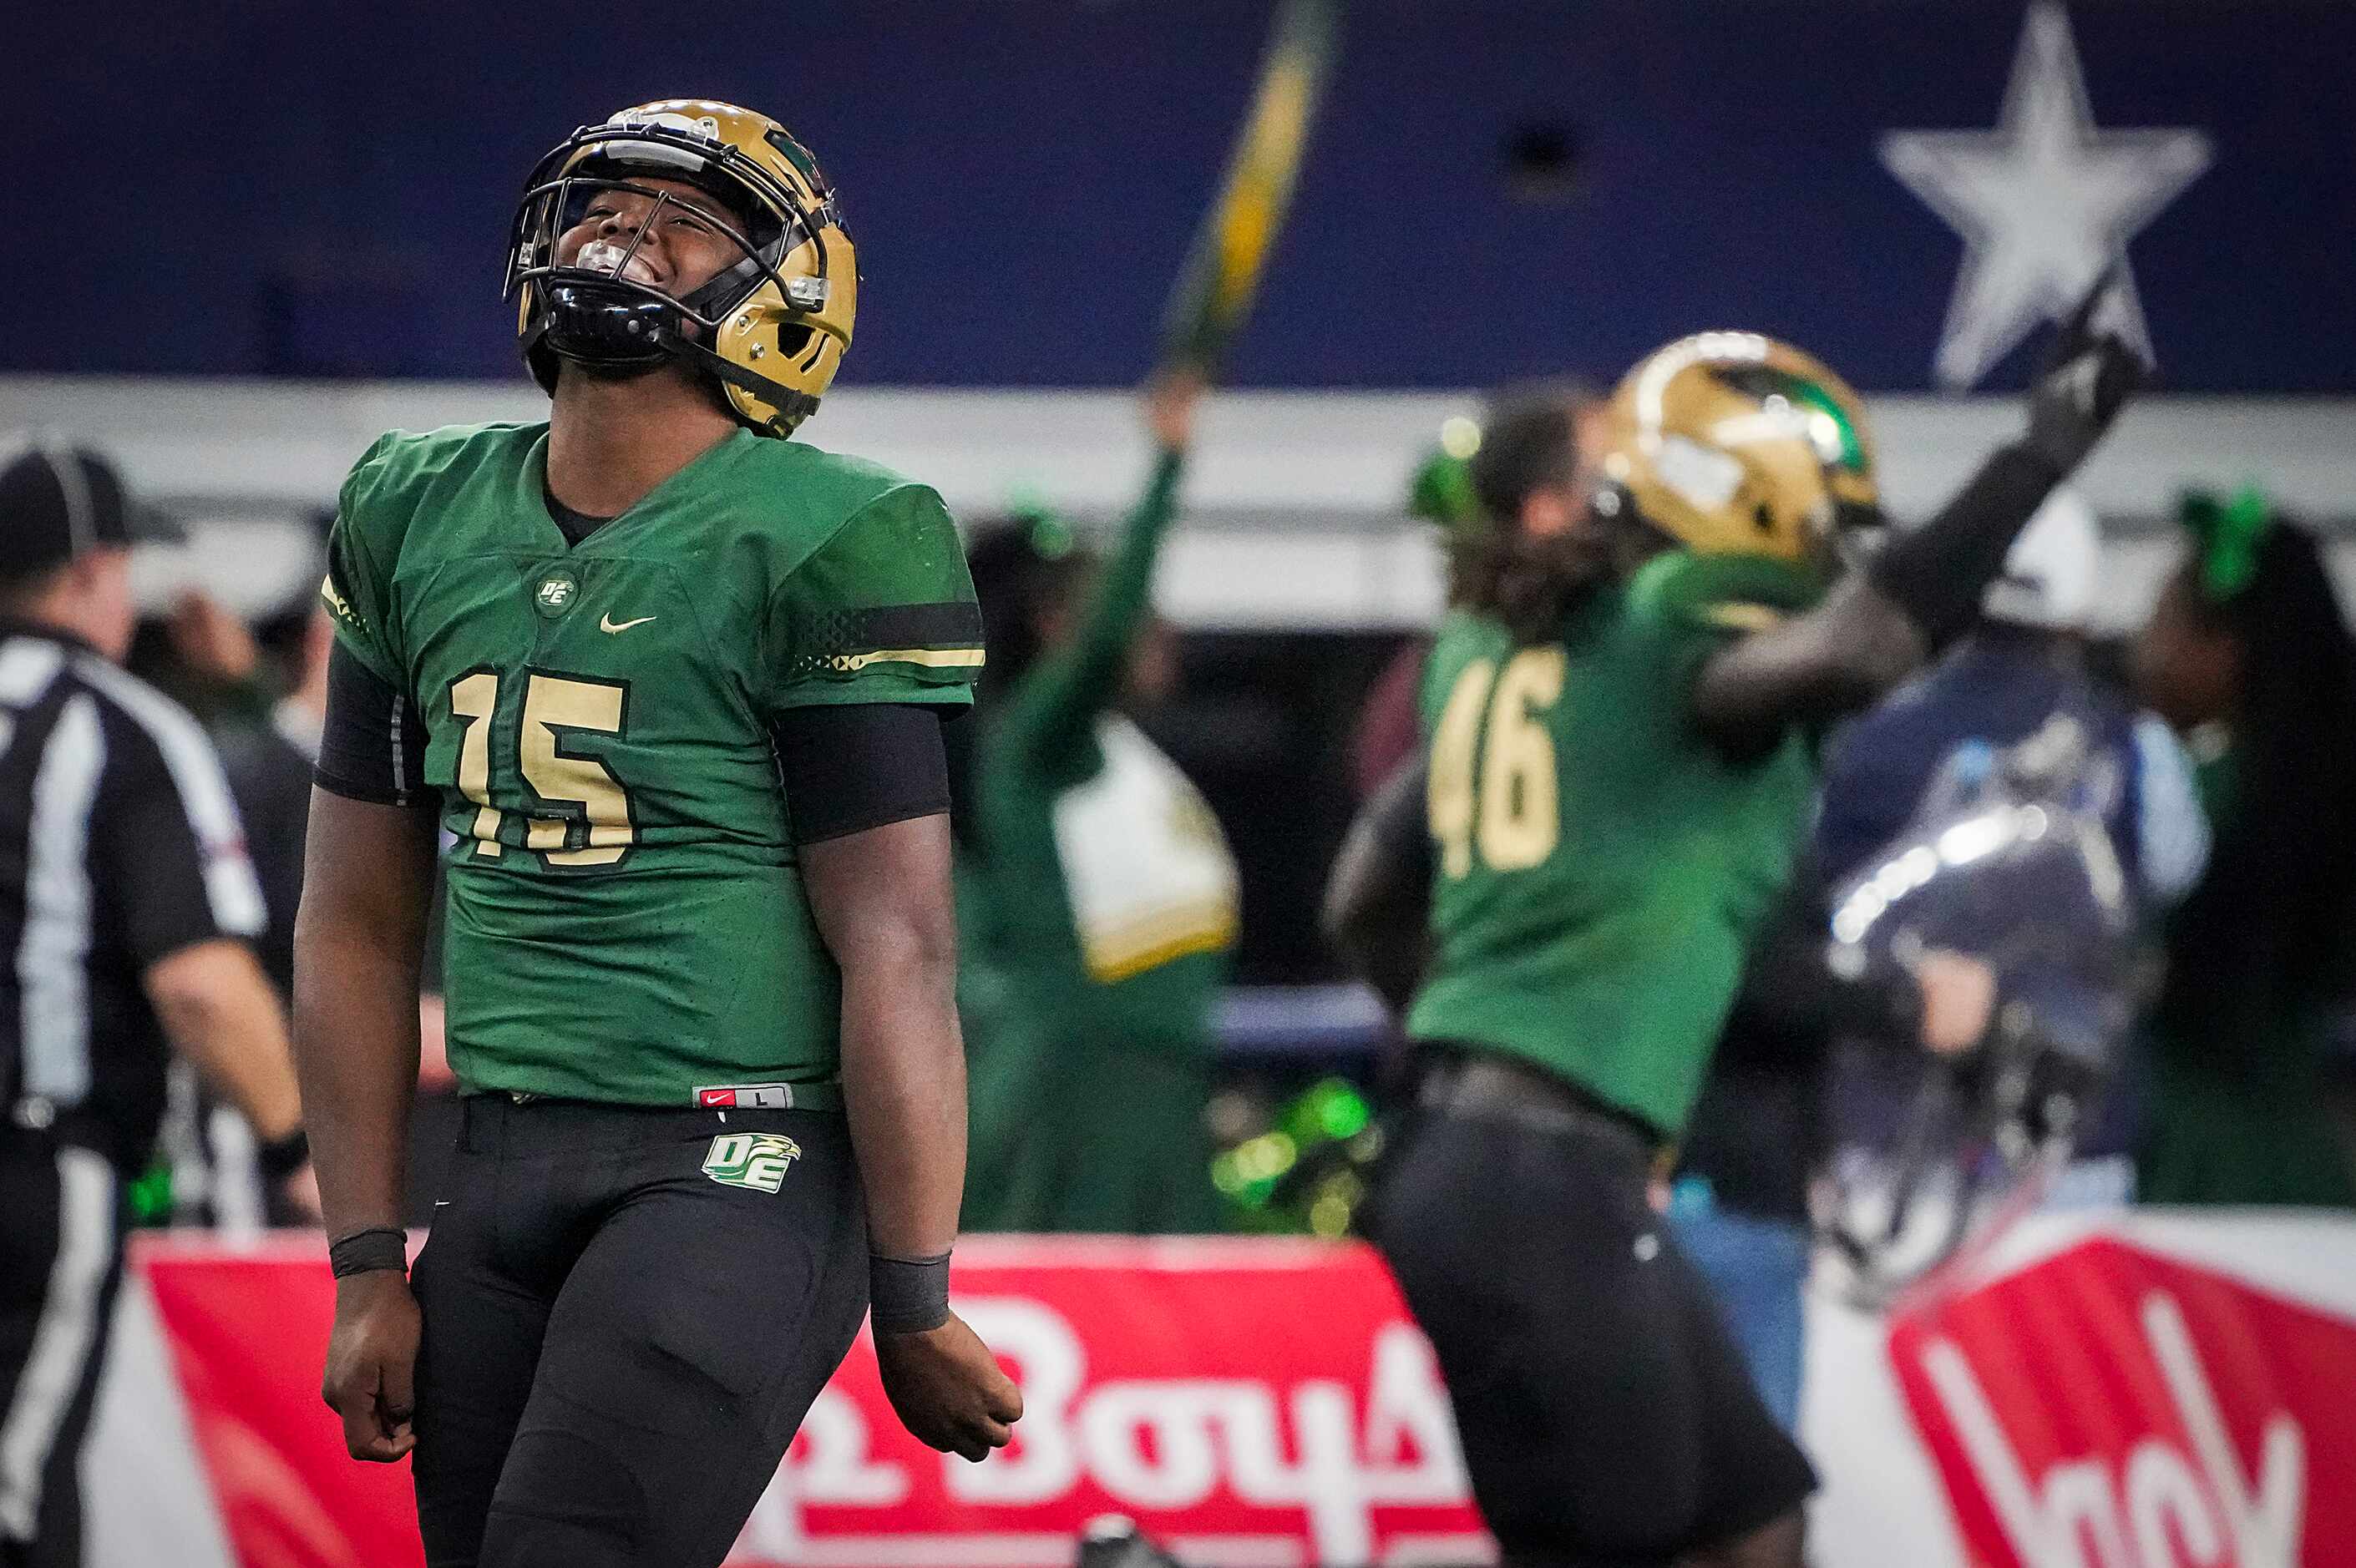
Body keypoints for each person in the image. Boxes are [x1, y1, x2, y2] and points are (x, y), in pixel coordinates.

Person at [290, 100, 1021, 1568]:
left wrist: (917, 1285)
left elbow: (897, 937)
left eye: (692, 220)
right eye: (602, 202)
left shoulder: (835, 528)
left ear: (785, 303)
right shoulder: (410, 503)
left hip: (737, 1162)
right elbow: (355, 916)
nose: (625, 229)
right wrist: (365, 1259)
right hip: (494, 1160)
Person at [1327, 301, 2144, 1566]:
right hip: (1539, 1176)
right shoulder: (1664, 637)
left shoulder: (1509, 647)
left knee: (1751, 1512)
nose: (1835, 559)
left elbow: (1359, 899)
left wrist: (1480, 1048)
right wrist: (2040, 449)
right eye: (1826, 527)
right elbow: (1867, 645)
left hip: (1506, 1159)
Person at [0, 440, 313, 1568]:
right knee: (21, 1493)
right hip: (39, 1160)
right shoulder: (120, 730)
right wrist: (296, 1144)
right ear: (94, 570)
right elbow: (197, 980)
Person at [952, 374, 1239, 1234]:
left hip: (1158, 1072)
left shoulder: (1122, 753)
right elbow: (1107, 633)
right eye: (1134, 615)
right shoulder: (1039, 743)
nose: (1158, 632)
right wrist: (1168, 463)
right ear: (1054, 627)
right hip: (1078, 1076)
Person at [2131, 489, 2356, 1206]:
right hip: (2322, 1181)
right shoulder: (2323, 797)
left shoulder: (2186, 796)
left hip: (2191, 1168)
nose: (2144, 650)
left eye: (2163, 625)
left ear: (2223, 651)